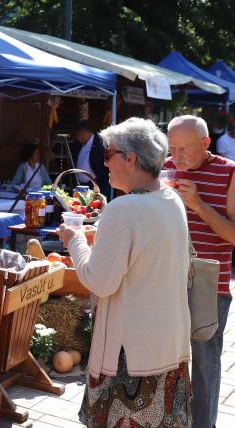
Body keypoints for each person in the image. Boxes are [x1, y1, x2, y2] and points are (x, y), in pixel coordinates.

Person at [57, 117, 192, 427]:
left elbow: (99, 282)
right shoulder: (172, 199)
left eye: (109, 154)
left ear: (130, 158)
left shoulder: (124, 209)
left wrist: (75, 241)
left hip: (130, 354)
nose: (105, 162)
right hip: (169, 344)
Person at [165, 115, 235, 428]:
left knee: (205, 366)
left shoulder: (229, 172)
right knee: (164, 362)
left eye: (184, 149)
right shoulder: (165, 168)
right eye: (172, 148)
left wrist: (198, 205)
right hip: (166, 280)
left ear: (206, 144)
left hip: (210, 285)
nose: (176, 157)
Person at [70, 121, 111, 197]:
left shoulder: (100, 142)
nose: (77, 138)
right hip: (80, 186)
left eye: (78, 135)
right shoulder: (77, 145)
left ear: (84, 133)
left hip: (97, 185)